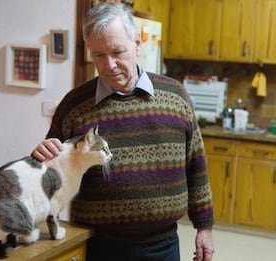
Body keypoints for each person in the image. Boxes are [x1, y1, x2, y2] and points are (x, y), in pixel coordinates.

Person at [32, 3, 215, 261]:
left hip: (162, 245)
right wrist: (40, 155)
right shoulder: (74, 104)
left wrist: (204, 227)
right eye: (98, 55)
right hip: (97, 244)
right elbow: (49, 172)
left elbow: (197, 168)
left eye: (118, 51)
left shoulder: (176, 97)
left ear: (137, 44)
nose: (109, 65)